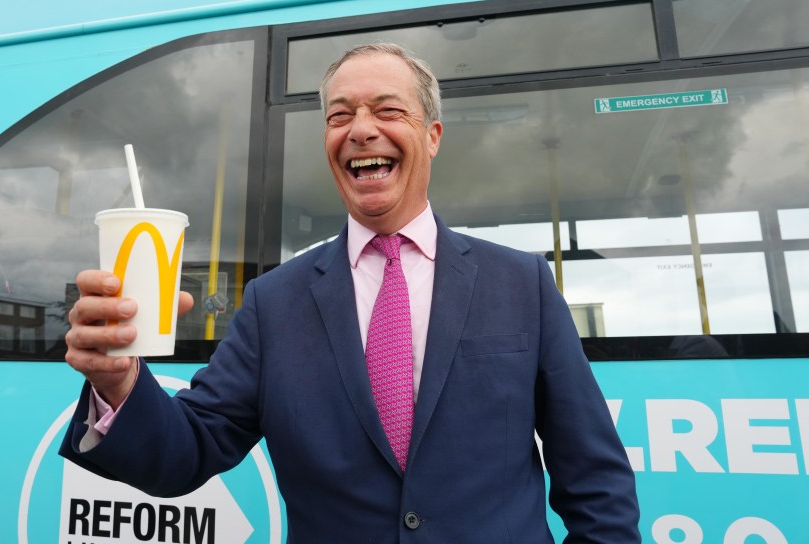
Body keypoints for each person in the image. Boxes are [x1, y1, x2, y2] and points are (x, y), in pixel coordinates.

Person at [60, 43, 640, 542]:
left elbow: (593, 478)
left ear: (432, 135)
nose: (361, 129)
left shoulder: (521, 284)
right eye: (340, 116)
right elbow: (185, 453)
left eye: (388, 110)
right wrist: (119, 381)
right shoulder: (273, 304)